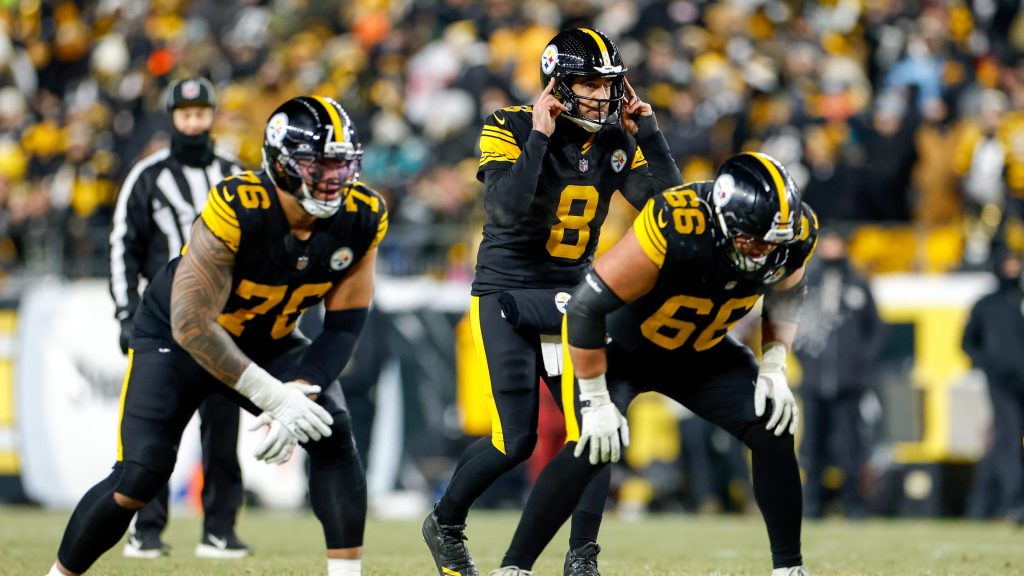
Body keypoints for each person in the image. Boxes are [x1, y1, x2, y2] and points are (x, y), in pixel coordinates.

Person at [46, 95, 386, 576]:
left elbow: (345, 324)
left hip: (267, 339)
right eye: (318, 164)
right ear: (282, 163)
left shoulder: (363, 215)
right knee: (139, 476)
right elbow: (192, 324)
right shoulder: (239, 204)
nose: (333, 178)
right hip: (176, 337)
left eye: (341, 164)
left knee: (331, 430)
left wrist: (301, 388)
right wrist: (275, 397)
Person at [422, 27, 681, 576]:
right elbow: (506, 209)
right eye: (588, 83)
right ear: (557, 83)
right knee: (514, 440)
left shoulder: (617, 139)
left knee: (596, 429)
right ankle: (445, 522)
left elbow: (671, 212)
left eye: (608, 84)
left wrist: (651, 135)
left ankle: (582, 556)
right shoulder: (510, 125)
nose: (601, 96)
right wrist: (540, 137)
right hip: (508, 291)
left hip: (572, 296)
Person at [490, 152, 817, 576]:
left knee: (772, 425)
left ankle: (789, 568)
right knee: (592, 445)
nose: (762, 253)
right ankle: (515, 567)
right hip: (623, 351)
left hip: (701, 352)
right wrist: (595, 397)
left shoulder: (794, 232)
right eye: (752, 240)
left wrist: (773, 363)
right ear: (723, 218)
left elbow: (787, 292)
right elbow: (586, 308)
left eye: (772, 243)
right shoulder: (675, 222)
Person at [108, 76, 250, 559]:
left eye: (201, 113)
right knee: (156, 431)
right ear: (173, 118)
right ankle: (146, 529)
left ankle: (220, 530)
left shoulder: (234, 174)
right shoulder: (147, 175)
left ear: (212, 115)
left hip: (223, 321)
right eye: (185, 114)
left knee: (223, 430)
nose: (193, 123)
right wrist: (125, 313)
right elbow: (122, 246)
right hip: (164, 321)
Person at [793, 228, 885, 520]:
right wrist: (807, 362)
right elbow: (793, 328)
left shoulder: (857, 284)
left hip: (849, 384)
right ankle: (812, 505)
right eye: (828, 243)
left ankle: (853, 505)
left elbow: (876, 330)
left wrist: (860, 364)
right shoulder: (807, 285)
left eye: (836, 243)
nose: (832, 249)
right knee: (812, 448)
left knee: (850, 448)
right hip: (814, 383)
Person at [962, 248, 1024, 522]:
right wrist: (990, 365)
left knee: (1003, 444)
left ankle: (986, 506)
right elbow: (967, 343)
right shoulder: (986, 305)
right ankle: (1013, 502)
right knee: (1008, 441)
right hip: (1002, 385)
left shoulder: (1020, 301)